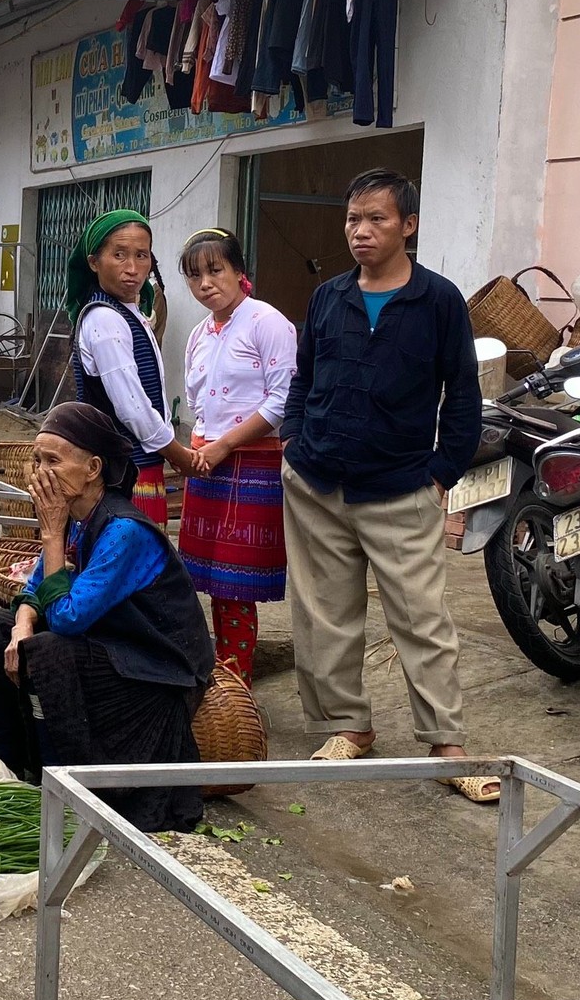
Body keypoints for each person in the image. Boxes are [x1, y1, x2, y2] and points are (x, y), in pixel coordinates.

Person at [279, 168, 489, 801]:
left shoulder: (439, 301)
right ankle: (345, 725)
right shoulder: (329, 296)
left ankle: (446, 743)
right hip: (318, 482)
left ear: (409, 226)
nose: (360, 231)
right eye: (353, 219)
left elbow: (463, 395)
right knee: (323, 617)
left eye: (376, 219)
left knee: (421, 619)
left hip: (401, 487)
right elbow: (303, 375)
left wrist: (442, 471)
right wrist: (293, 439)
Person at [0, 402, 210, 832]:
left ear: (92, 468)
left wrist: (50, 535)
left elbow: (69, 619)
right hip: (108, 652)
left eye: (53, 460)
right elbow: (35, 589)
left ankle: (61, 784)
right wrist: (19, 627)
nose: (40, 471)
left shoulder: (123, 530)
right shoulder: (74, 518)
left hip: (159, 673)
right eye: (37, 459)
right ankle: (15, 769)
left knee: (49, 650)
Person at [178, 229, 296, 678]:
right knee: (207, 578)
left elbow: (282, 400)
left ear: (238, 271)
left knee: (235, 581)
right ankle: (222, 671)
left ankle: (236, 675)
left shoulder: (267, 322)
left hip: (251, 462)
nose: (205, 283)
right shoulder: (198, 334)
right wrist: (202, 448)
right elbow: (197, 402)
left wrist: (227, 443)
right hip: (206, 461)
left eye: (215, 270)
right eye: (195, 276)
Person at [65, 210, 197, 523]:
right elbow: (132, 407)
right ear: (94, 262)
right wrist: (176, 452)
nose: (132, 269)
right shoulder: (105, 319)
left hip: (134, 467)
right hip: (123, 474)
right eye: (119, 255)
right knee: (134, 565)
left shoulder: (128, 312)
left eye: (141, 256)